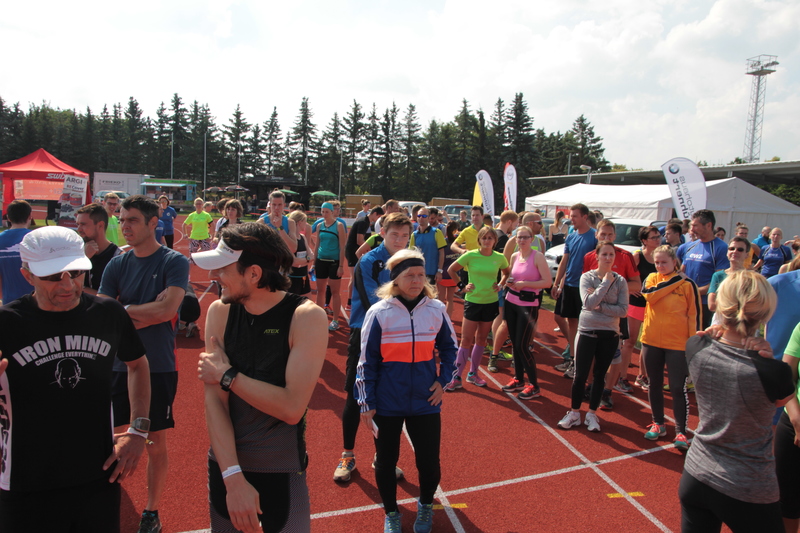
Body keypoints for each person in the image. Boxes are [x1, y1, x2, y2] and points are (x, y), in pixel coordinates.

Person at [0, 226, 151, 533]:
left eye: (77, 273)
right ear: (27, 275)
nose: (68, 285)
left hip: (98, 478)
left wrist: (138, 430)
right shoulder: (7, 323)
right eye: (53, 276)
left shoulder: (108, 313)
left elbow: (137, 364)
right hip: (24, 484)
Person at [193, 222, 326, 533]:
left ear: (253, 274)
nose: (214, 276)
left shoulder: (306, 317)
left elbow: (291, 408)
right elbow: (215, 403)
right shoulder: (220, 311)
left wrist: (227, 375)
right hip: (226, 468)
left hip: (282, 469)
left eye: (222, 269)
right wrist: (233, 478)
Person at [98, 195, 189, 533]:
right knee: (103, 437)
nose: (124, 226)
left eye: (132, 220)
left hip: (158, 365)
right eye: (122, 220)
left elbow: (166, 311)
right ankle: (102, 500)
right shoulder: (116, 264)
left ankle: (151, 511)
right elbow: (104, 315)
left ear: (154, 223)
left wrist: (123, 310)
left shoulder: (173, 262)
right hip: (116, 365)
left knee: (154, 441)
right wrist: (141, 310)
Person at [680, 270, 793, 533]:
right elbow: (777, 402)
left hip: (696, 473)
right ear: (765, 313)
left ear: (722, 305)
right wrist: (767, 357)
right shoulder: (774, 371)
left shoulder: (695, 345)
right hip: (748, 486)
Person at [356, 249, 458, 533]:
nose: (416, 280)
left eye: (421, 275)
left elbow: (450, 349)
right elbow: (366, 362)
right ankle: (391, 513)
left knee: (429, 462)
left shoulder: (436, 309)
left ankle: (425, 505)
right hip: (387, 401)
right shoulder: (379, 313)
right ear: (395, 279)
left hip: (426, 400)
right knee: (386, 461)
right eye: (409, 275)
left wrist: (443, 381)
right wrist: (366, 402)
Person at [334, 212, 412, 483]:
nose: (399, 240)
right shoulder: (368, 262)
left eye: (405, 236)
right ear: (382, 233)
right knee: (355, 396)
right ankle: (347, 455)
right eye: (395, 235)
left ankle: (382, 457)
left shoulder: (410, 261)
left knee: (387, 399)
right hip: (366, 335)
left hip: (397, 337)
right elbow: (372, 303)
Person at [557, 241, 628, 433]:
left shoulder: (621, 281)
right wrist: (605, 284)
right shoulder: (586, 277)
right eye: (604, 254)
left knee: (599, 376)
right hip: (587, 332)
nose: (608, 258)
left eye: (611, 254)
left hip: (610, 334)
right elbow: (588, 303)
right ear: (596, 256)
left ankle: (591, 414)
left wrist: (600, 305)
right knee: (580, 375)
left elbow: (623, 310)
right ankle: (574, 413)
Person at [639, 245, 701, 449]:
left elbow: (694, 315)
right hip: (651, 341)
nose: (660, 266)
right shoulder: (652, 278)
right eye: (657, 262)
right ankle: (658, 423)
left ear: (674, 262)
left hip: (677, 344)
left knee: (677, 387)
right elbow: (649, 295)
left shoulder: (688, 285)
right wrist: (677, 279)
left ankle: (681, 432)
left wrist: (693, 345)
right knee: (654, 383)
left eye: (664, 262)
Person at [580, 220, 641, 408]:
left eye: (609, 234)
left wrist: (612, 289)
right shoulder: (589, 256)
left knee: (615, 355)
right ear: (596, 235)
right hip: (593, 316)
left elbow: (637, 284)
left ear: (615, 236)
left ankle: (607, 391)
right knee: (591, 355)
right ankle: (591, 386)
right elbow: (587, 287)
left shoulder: (626, 256)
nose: (606, 237)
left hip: (614, 316)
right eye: (603, 234)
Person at [445, 226, 510, 390]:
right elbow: (451, 270)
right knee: (466, 340)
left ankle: (473, 374)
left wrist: (501, 284)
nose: (487, 241)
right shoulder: (470, 255)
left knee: (481, 340)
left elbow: (507, 273)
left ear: (495, 240)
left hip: (490, 302)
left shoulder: (499, 257)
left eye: (490, 238)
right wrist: (462, 286)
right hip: (473, 302)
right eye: (484, 238)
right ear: (479, 240)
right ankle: (456, 376)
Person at [498, 225, 552, 399]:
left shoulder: (538, 257)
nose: (521, 240)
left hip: (528, 305)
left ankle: (534, 385)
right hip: (511, 302)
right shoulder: (515, 256)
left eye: (525, 237)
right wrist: (509, 282)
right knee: (515, 343)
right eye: (519, 237)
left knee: (523, 345)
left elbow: (547, 282)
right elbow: (512, 276)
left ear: (532, 239)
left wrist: (525, 284)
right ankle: (518, 379)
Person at [552, 204, 597, 371]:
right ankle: (572, 358)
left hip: (585, 287)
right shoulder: (571, 237)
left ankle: (580, 360)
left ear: (585, 217)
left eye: (575, 216)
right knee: (569, 321)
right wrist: (557, 283)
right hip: (569, 285)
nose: (571, 219)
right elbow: (565, 261)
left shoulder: (594, 237)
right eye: (571, 216)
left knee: (583, 325)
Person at [676, 209, 730, 329]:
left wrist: (694, 291)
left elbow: (719, 281)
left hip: (705, 304)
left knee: (701, 337)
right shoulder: (688, 247)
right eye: (691, 225)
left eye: (695, 225)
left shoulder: (721, 248)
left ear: (709, 225)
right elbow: (681, 272)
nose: (692, 229)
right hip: (685, 301)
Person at [629, 226, 660, 391]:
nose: (658, 239)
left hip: (654, 304)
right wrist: (632, 289)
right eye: (654, 237)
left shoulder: (660, 256)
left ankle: (642, 376)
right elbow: (626, 276)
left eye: (659, 236)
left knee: (647, 341)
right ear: (644, 241)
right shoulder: (638, 256)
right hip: (636, 302)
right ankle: (620, 375)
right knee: (630, 340)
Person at [313, 202, 346, 331]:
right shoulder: (320, 225)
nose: (324, 214)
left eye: (327, 211)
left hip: (334, 262)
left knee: (335, 292)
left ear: (332, 212)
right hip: (321, 260)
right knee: (320, 291)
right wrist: (314, 263)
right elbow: (317, 245)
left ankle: (335, 320)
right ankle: (320, 318)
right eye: (322, 211)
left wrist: (341, 266)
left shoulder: (339, 226)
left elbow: (342, 247)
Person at [75, 203, 122, 295]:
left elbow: (117, 299)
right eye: (78, 224)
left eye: (83, 224)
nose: (79, 229)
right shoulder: (77, 252)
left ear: (100, 225)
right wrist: (83, 258)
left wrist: (81, 289)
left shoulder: (118, 258)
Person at [707, 236, 750, 322]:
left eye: (740, 249)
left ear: (747, 255)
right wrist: (738, 306)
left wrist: (724, 304)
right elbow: (711, 305)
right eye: (731, 248)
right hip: (721, 321)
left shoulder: (751, 278)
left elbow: (753, 306)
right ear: (727, 252)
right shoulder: (718, 276)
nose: (735, 251)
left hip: (743, 321)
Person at [0, 199, 34, 304]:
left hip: (9, 300)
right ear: (30, 216)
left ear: (8, 218)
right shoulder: (37, 238)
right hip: (36, 300)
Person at [409, 207, 447, 285]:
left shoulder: (436, 232)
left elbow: (442, 253)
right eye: (419, 216)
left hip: (431, 272)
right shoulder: (414, 235)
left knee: (429, 292)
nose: (421, 218)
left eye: (424, 216)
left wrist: (440, 271)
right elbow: (411, 254)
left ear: (429, 218)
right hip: (417, 272)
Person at [287, 210, 313, 296]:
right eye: (305, 221)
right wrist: (307, 259)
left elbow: (312, 256)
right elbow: (294, 262)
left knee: (308, 302)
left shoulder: (303, 237)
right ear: (299, 222)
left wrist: (303, 261)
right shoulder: (289, 239)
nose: (306, 224)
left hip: (304, 277)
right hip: (292, 279)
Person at [438, 221, 460, 316]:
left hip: (443, 274)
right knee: (450, 300)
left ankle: (440, 319)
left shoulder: (443, 242)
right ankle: (448, 319)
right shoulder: (457, 243)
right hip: (454, 275)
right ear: (455, 230)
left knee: (440, 300)